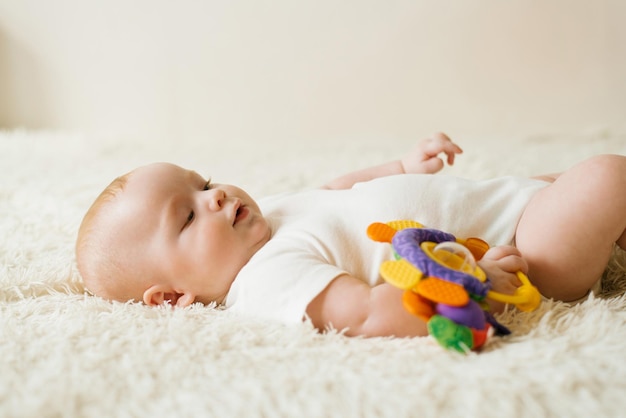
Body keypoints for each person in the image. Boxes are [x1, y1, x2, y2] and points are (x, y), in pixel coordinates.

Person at [75, 133, 626, 338]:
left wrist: (400, 165)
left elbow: (340, 188)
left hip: (513, 197)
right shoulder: (267, 279)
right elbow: (366, 312)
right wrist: (474, 283)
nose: (214, 197)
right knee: (606, 177)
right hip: (523, 251)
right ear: (173, 297)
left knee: (575, 182)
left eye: (204, 183)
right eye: (189, 217)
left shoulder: (275, 216)